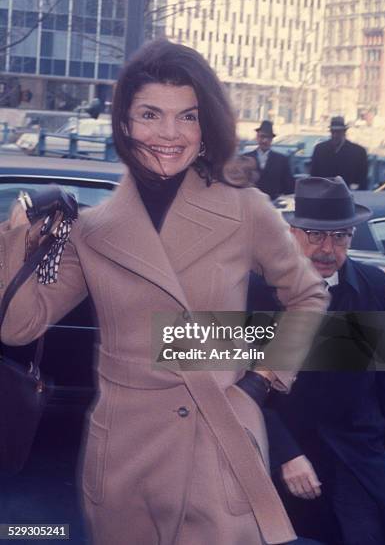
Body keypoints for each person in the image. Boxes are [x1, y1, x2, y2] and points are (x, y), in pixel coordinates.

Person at [0, 40, 328, 545]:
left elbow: (307, 296)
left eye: (188, 116)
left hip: (217, 441)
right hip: (125, 454)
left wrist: (262, 381)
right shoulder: (94, 228)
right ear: (125, 124)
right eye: (151, 114)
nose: (169, 134)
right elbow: (19, 327)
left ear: (206, 127)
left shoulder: (246, 208)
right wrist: (18, 239)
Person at [249, 176, 385, 544]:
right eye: (315, 235)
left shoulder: (373, 284)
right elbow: (242, 385)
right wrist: (285, 454)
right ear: (292, 233)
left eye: (341, 236)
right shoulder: (259, 290)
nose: (328, 249)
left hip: (358, 452)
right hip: (291, 452)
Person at [310, 116, 368, 189]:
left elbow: (362, 180)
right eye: (333, 132)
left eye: (338, 132)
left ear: (344, 132)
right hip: (324, 193)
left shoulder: (359, 152)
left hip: (349, 194)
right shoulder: (319, 149)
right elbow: (314, 175)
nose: (335, 135)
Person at [244, 120, 295, 200]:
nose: (265, 140)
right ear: (257, 137)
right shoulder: (245, 158)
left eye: (268, 137)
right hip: (250, 201)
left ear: (272, 139)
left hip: (273, 203)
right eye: (262, 137)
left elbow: (289, 187)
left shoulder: (282, 160)